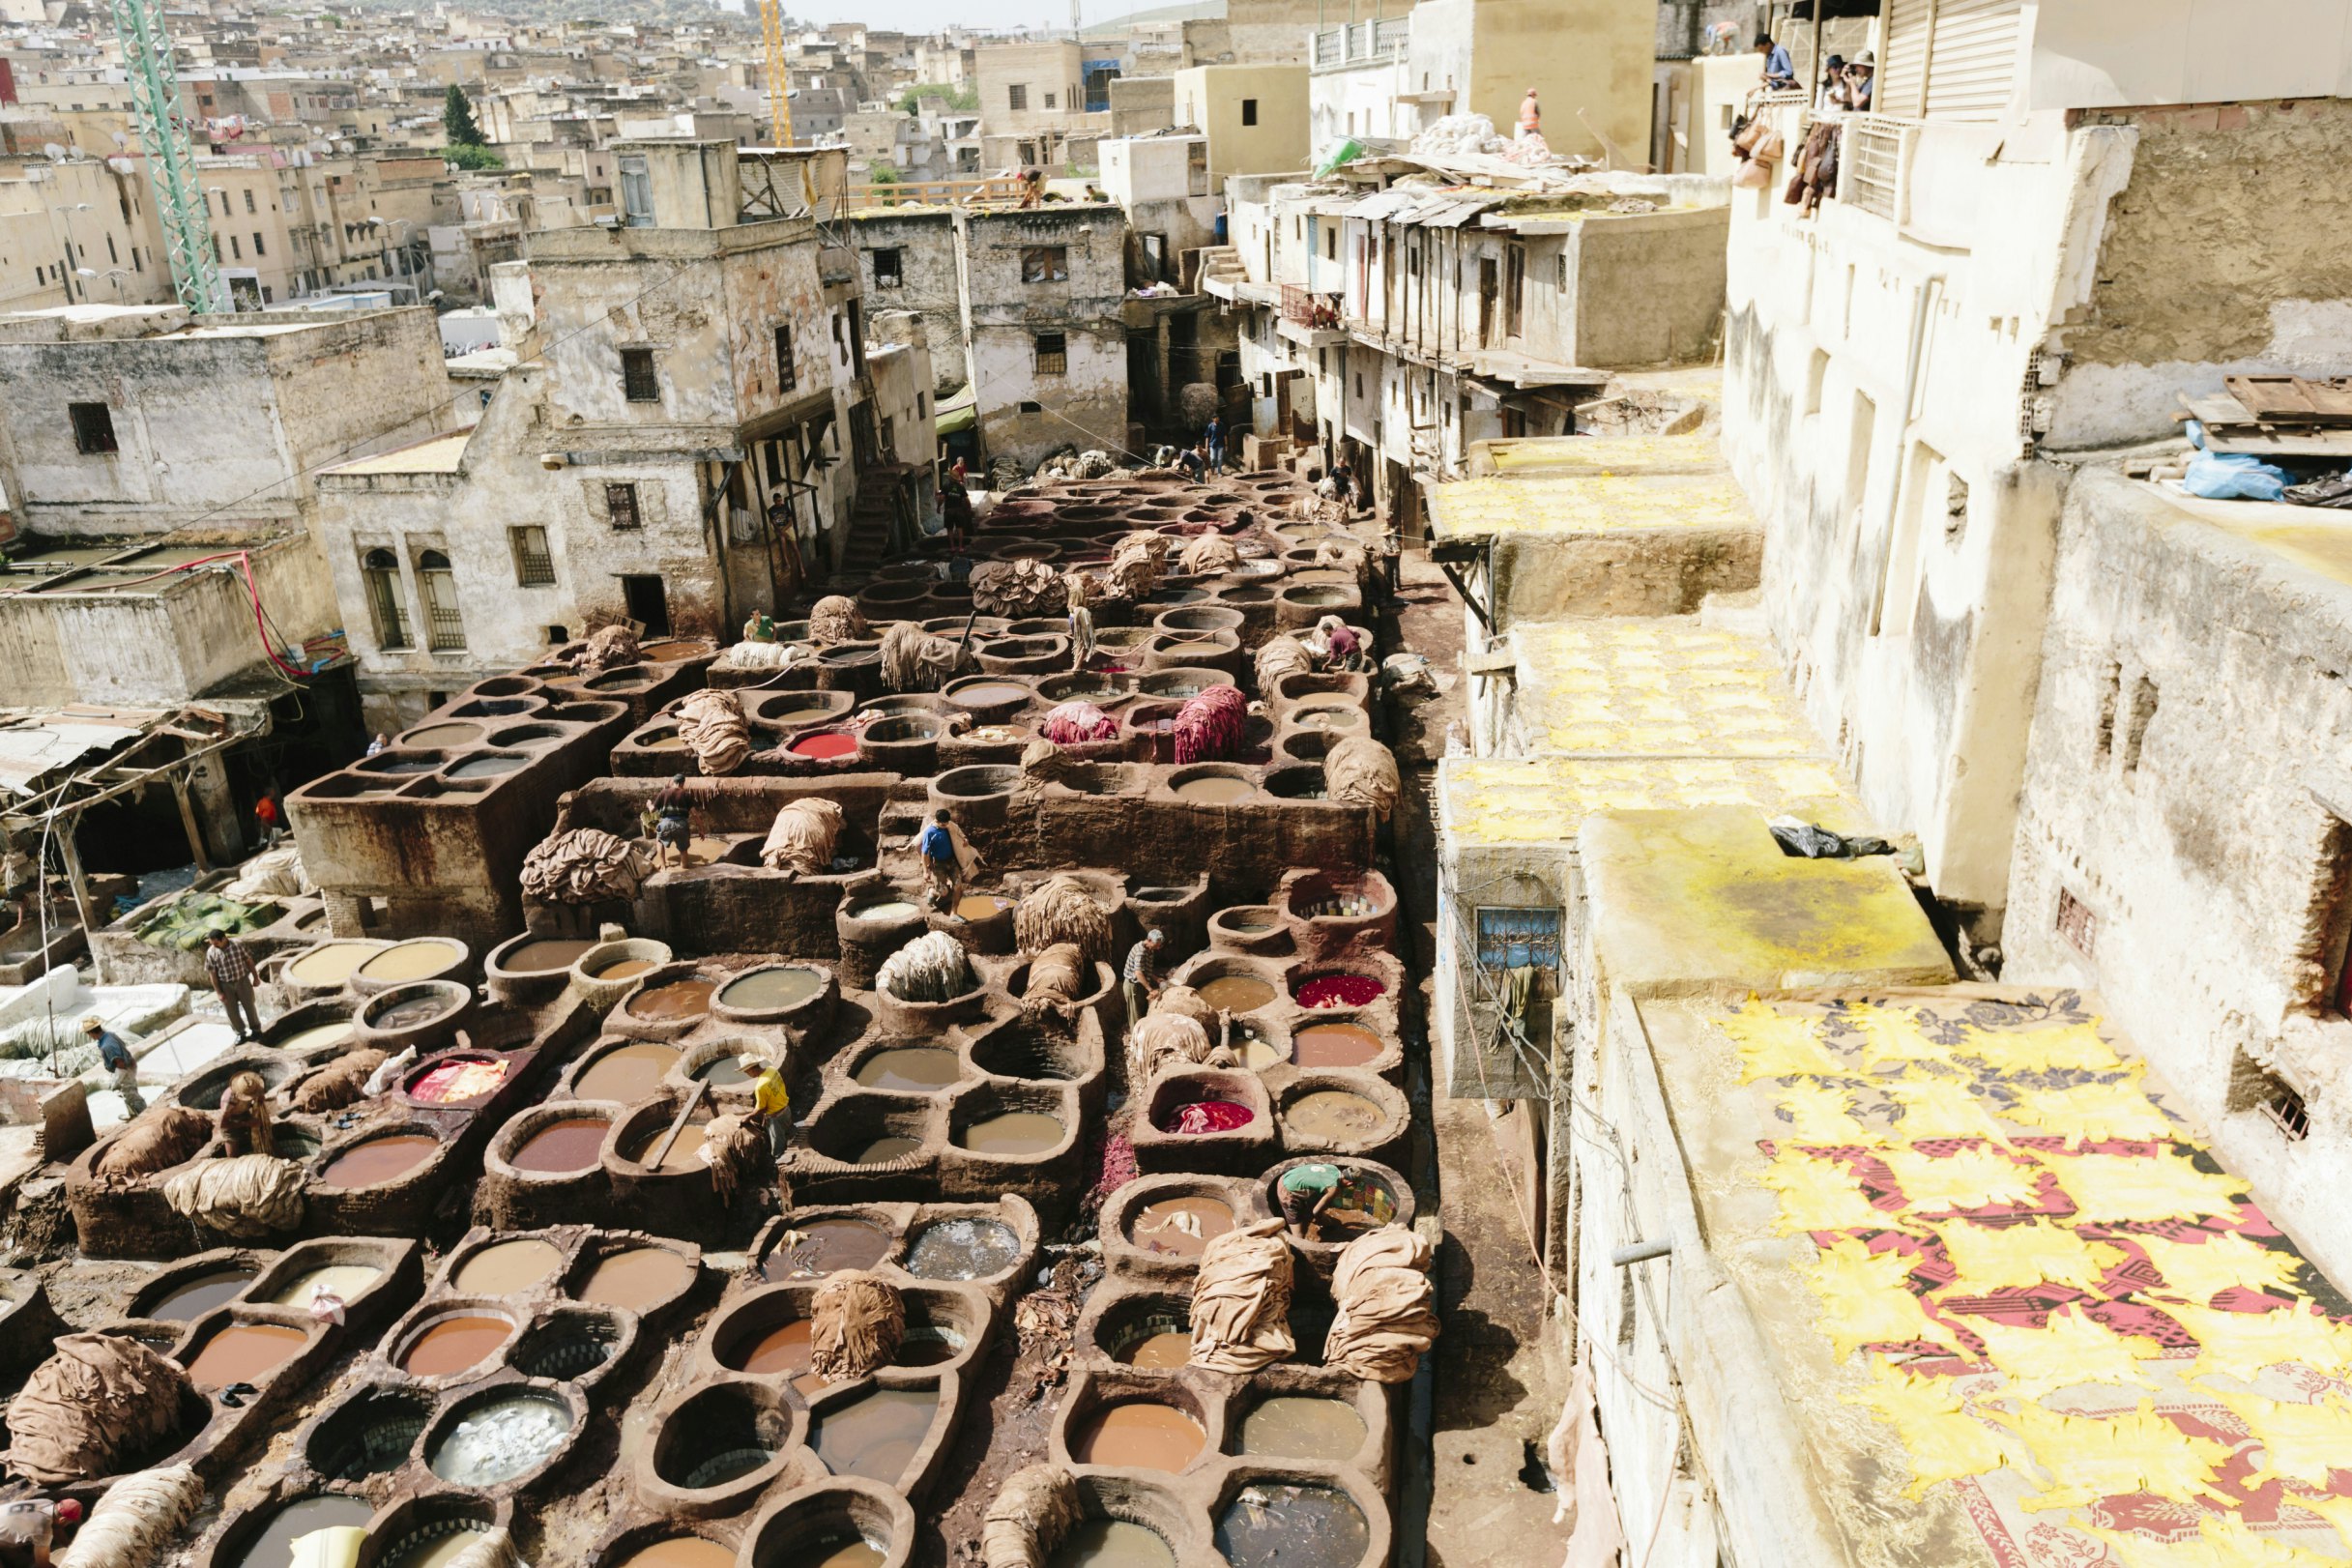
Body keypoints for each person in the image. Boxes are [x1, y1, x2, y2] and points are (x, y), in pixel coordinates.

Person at [204, 929, 263, 1041]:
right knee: (231, 1011)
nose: (214, 946)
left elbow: (249, 961)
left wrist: (256, 977)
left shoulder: (238, 945)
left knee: (250, 1006)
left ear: (224, 938)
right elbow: (212, 974)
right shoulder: (211, 952)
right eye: (212, 944)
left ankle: (256, 1030)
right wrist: (219, 992)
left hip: (242, 981)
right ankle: (241, 1034)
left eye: (216, 943)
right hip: (225, 985)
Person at [919, 807, 980, 910]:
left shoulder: (951, 826)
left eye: (946, 823)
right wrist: (925, 872)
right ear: (936, 821)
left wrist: (965, 839)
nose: (945, 826)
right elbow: (924, 853)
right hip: (938, 864)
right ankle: (932, 891)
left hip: (952, 861)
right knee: (943, 892)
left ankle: (954, 913)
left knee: (958, 886)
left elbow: (960, 834)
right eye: (942, 824)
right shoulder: (930, 832)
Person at [83, 1017, 143, 1116]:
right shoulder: (109, 1035)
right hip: (129, 1064)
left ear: (91, 1033)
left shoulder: (107, 1045)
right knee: (127, 1093)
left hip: (124, 1070)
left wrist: (117, 1081)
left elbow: (120, 1063)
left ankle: (143, 1114)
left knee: (131, 1095)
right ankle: (133, 1114)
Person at [0, 1495, 81, 1568]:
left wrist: (69, 1545)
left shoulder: (47, 1503)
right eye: (68, 1523)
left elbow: (56, 1527)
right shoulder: (43, 1529)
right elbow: (43, 1565)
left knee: (22, 1560)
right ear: (62, 1519)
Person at [742, 1054, 791, 1158]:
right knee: (786, 1134)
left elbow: (761, 1108)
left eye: (746, 1072)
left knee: (777, 1148)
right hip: (786, 1109)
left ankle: (780, 1164)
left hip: (776, 1119)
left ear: (751, 1069)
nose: (747, 1074)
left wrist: (748, 1116)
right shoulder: (772, 1069)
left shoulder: (760, 1086)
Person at [1121, 927, 1167, 1033]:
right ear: (1149, 940)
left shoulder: (1150, 949)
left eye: (1160, 945)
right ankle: (1136, 1040)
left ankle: (1144, 1034)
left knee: (1142, 1011)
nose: (1158, 947)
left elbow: (1145, 969)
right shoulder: (1140, 952)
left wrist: (1156, 979)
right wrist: (1150, 989)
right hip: (1133, 986)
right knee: (1135, 1017)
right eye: (1157, 945)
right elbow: (1138, 973)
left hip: (1140, 984)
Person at [652, 774, 701, 869]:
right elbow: (695, 814)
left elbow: (652, 810)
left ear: (674, 782)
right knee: (683, 849)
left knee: (659, 841)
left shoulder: (664, 792)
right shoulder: (686, 795)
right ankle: (684, 866)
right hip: (681, 825)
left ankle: (663, 865)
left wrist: (649, 804)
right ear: (682, 783)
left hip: (666, 823)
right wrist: (701, 829)